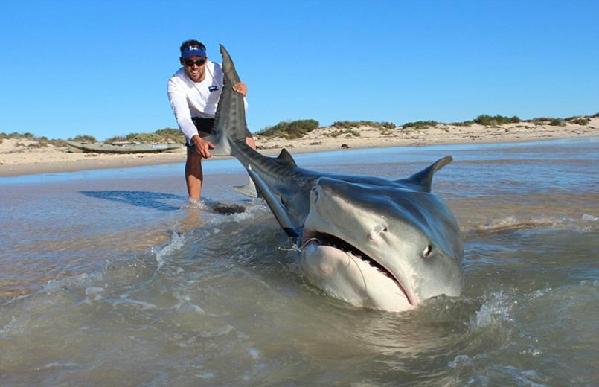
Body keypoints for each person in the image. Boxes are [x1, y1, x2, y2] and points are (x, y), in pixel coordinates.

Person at [167, 39, 256, 202]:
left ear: (205, 60)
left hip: (225, 117)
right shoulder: (175, 82)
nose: (194, 66)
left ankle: (259, 192)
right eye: (189, 62)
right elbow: (183, 117)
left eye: (199, 61)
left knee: (250, 145)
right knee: (194, 154)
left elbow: (237, 95)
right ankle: (194, 203)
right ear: (182, 62)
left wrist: (242, 92)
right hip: (199, 120)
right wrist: (196, 139)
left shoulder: (217, 70)